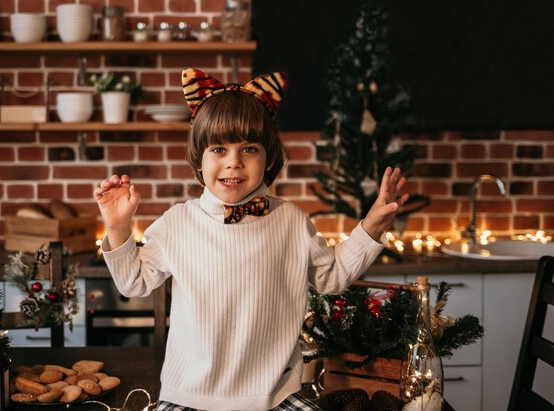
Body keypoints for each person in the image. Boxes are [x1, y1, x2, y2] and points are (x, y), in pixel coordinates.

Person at [94, 68, 409, 411]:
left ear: (268, 156)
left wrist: (373, 226)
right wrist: (118, 227)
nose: (233, 163)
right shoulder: (178, 222)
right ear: (199, 158)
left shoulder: (290, 220)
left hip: (273, 396)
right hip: (190, 395)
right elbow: (133, 283)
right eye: (218, 149)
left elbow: (331, 278)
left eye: (249, 149)